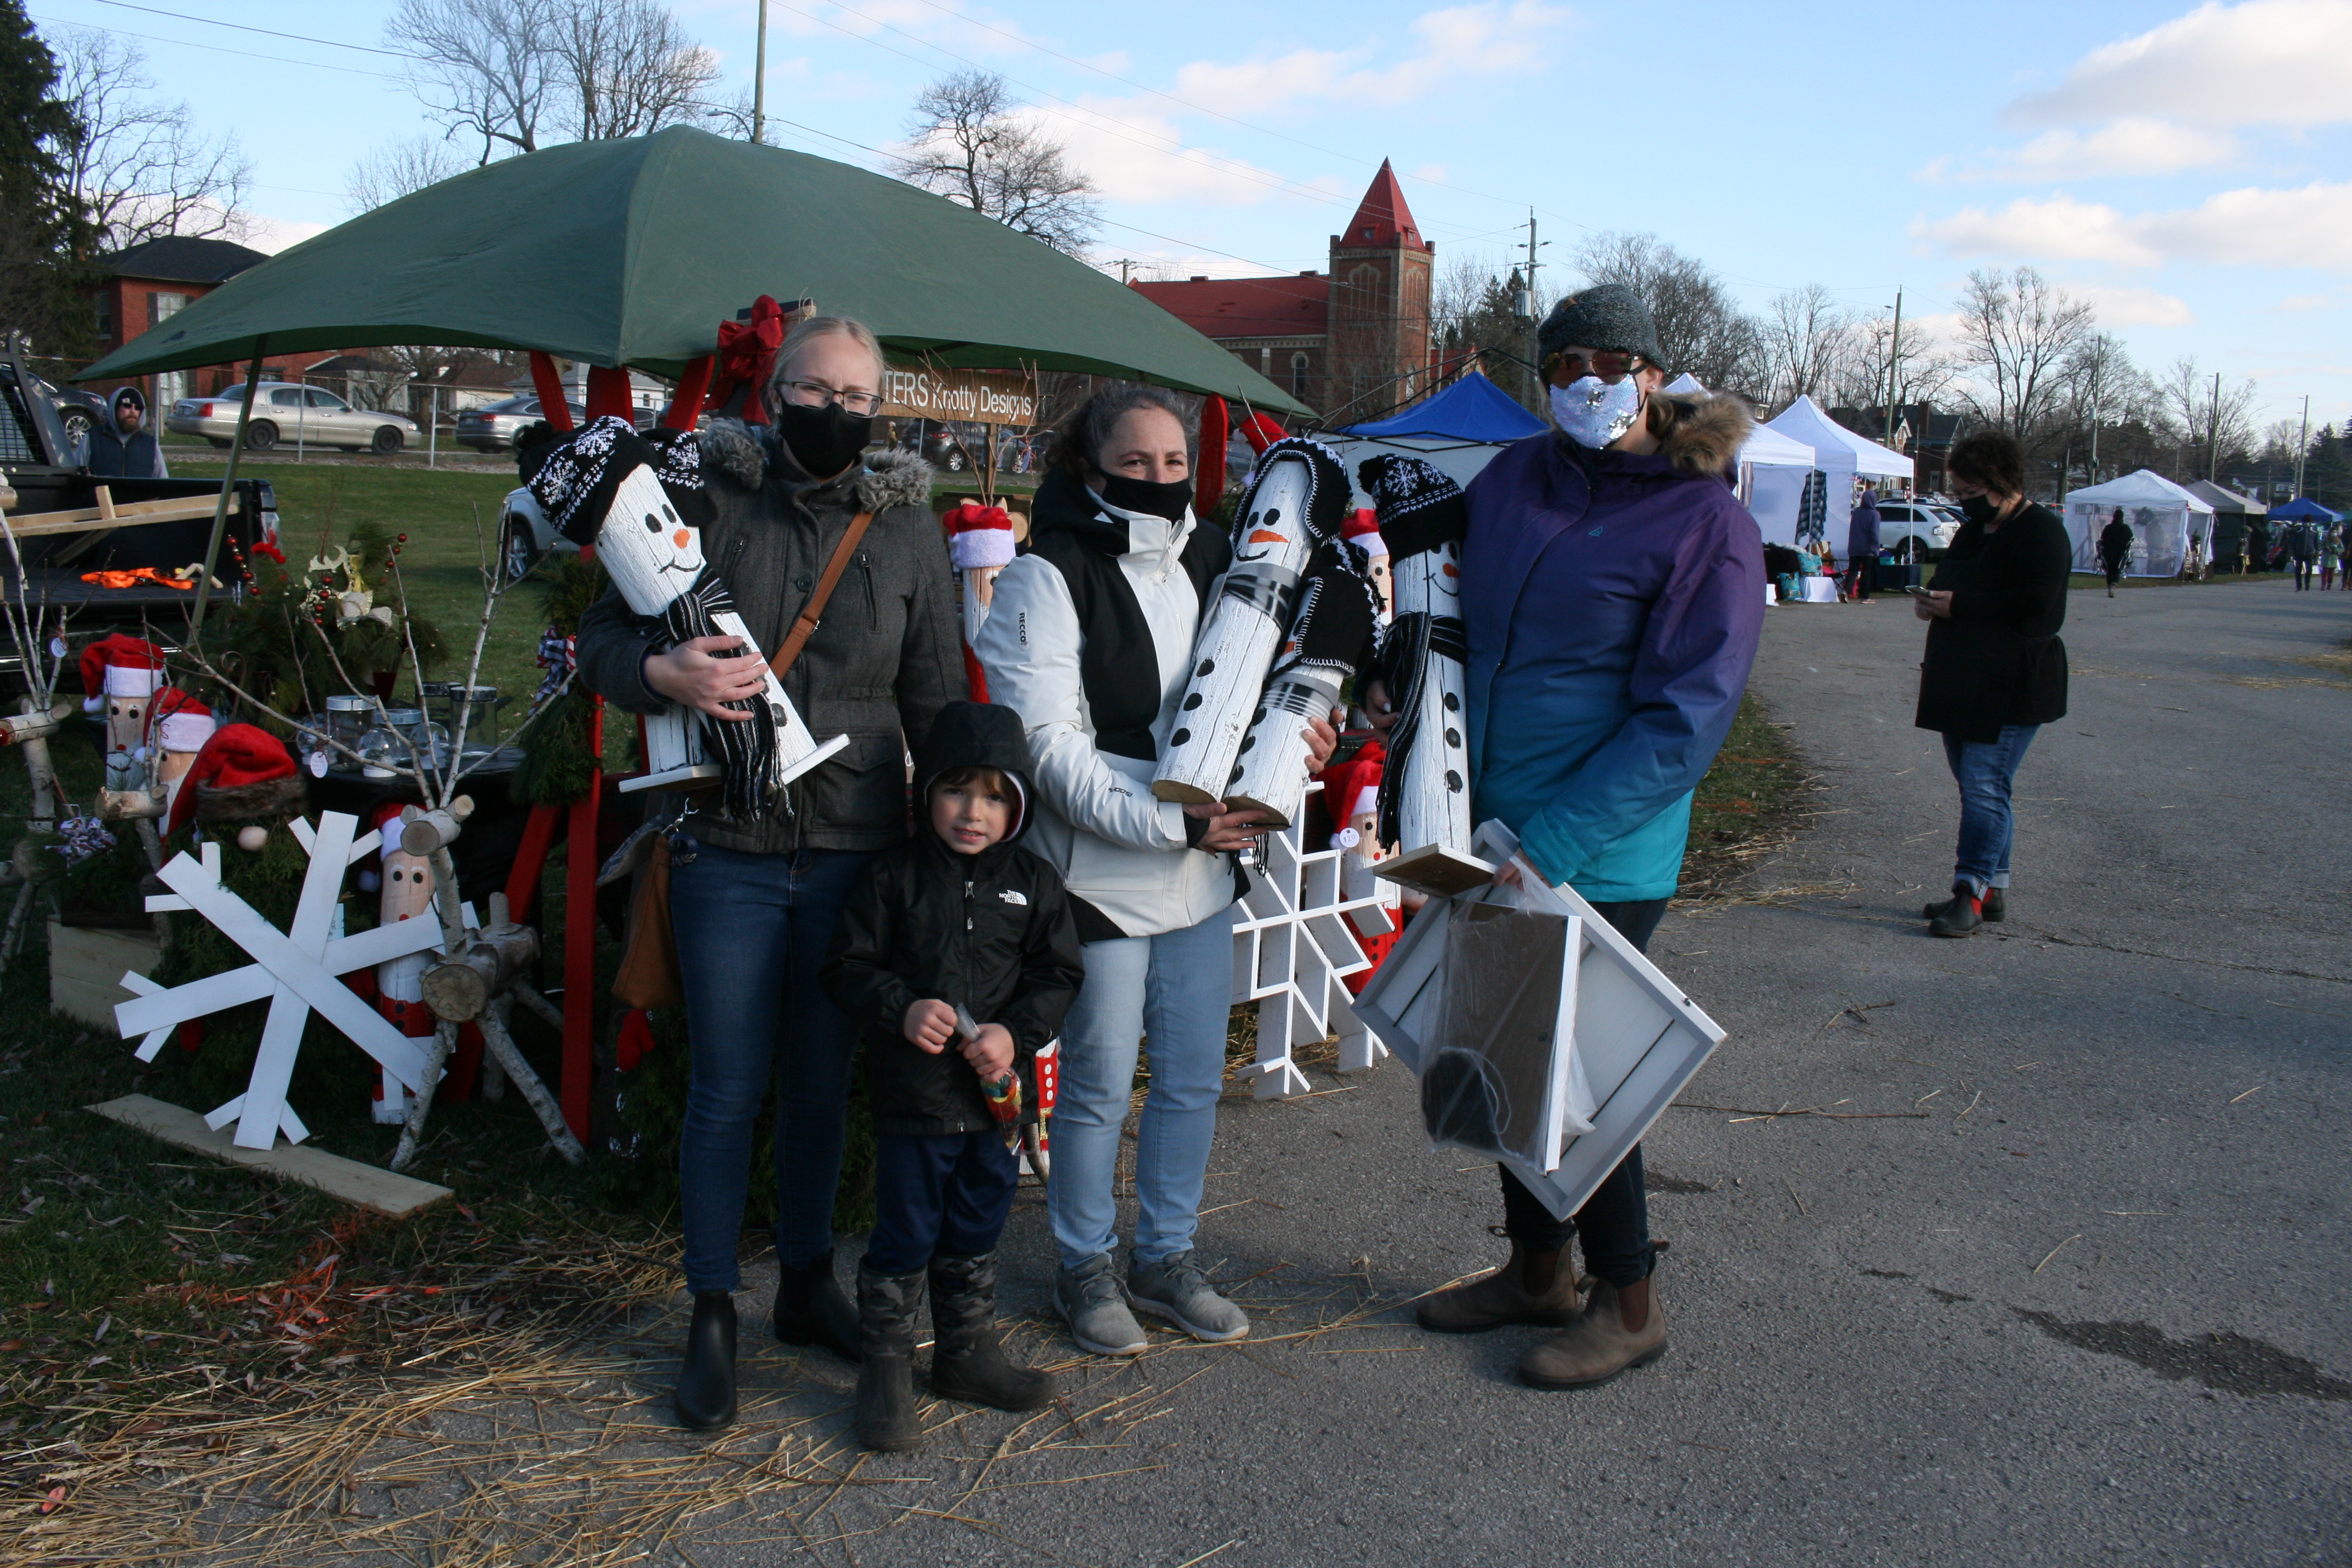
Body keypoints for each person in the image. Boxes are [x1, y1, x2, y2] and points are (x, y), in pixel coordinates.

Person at [1368, 284, 1765, 1390]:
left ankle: (1627, 1298)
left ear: (1650, 375)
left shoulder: (1703, 522)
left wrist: (1556, 839)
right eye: (1562, 365)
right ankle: (1537, 1271)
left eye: (1607, 361)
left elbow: (1686, 714)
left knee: (1575, 1069)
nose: (1584, 381)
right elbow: (1441, 620)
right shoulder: (1509, 481)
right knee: (1500, 1041)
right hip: (1480, 822)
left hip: (1597, 839)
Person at [575, 315, 967, 1429]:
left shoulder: (903, 530)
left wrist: (955, 844)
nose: (833, 411)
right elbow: (605, 637)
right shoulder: (701, 495)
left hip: (856, 849)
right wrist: (663, 670)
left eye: (855, 395)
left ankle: (803, 1283)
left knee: (815, 1084)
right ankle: (712, 1308)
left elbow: (934, 695)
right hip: (728, 846)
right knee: (725, 1087)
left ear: (879, 408)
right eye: (812, 387)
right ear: (773, 387)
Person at [973, 386, 1339, 1357]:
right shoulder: (1043, 578)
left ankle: (1166, 1256)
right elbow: (1051, 752)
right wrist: (1173, 827)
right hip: (1101, 872)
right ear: (1087, 466)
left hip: (1205, 870)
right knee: (1097, 1084)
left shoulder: (1216, 555)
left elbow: (1257, 689)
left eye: (1174, 464)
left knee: (1189, 1078)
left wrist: (1301, 737)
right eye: (1136, 465)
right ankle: (1083, 1262)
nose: (1159, 482)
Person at [820, 701, 1085, 1451]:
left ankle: (965, 1354)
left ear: (1019, 805)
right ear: (925, 791)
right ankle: (887, 1370)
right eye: (956, 790)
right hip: (917, 1102)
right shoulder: (892, 878)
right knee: (906, 1230)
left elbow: (1059, 974)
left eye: (996, 796)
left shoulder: (1033, 883)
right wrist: (900, 1009)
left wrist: (1016, 1032)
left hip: (999, 1106)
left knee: (978, 1223)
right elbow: (846, 966)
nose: (974, 812)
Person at [1913, 430, 2070, 938]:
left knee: (1984, 785)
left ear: (2000, 482)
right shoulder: (1975, 530)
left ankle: (1971, 892)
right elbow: (1951, 576)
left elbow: (2037, 604)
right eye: (1958, 493)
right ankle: (1992, 889)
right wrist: (1931, 599)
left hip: (2013, 681)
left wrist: (1960, 605)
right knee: (1980, 787)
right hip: (1962, 677)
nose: (1964, 502)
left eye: (1969, 492)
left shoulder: (2043, 532)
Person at [83, 387, 168, 478]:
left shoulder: (150, 444)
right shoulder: (93, 438)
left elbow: (162, 480)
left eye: (138, 408)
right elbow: (76, 475)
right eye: (127, 406)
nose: (133, 411)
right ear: (115, 408)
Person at [1847, 480, 1881, 601]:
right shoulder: (1874, 514)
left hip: (1854, 546)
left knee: (1853, 570)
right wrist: (1876, 548)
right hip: (1868, 548)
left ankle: (1846, 593)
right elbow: (1874, 533)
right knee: (1866, 572)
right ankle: (1864, 596)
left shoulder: (1856, 512)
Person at [2099, 507, 2132, 597]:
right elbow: (2131, 540)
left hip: (2108, 553)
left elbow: (2103, 539)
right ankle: (2113, 585)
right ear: (2122, 518)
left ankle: (2110, 585)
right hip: (2120, 553)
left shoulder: (2108, 528)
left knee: (2109, 570)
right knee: (2117, 570)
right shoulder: (2126, 528)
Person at [2290, 521, 2318, 590]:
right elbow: (2294, 542)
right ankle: (2299, 585)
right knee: (2298, 570)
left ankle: (2307, 584)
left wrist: (2316, 552)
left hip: (2310, 553)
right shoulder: (2299, 531)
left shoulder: (2314, 531)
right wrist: (2294, 552)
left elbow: (2316, 543)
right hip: (2300, 553)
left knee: (2309, 569)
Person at [2322, 526, 2340, 592]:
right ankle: (2323, 585)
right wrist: (2325, 547)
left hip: (2333, 559)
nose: (2334, 533)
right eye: (2333, 532)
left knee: (2331, 573)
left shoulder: (2338, 541)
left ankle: (2329, 585)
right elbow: (2321, 545)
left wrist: (2336, 550)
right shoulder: (2326, 540)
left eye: (2336, 532)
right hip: (2326, 558)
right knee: (2325, 572)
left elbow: (2342, 549)